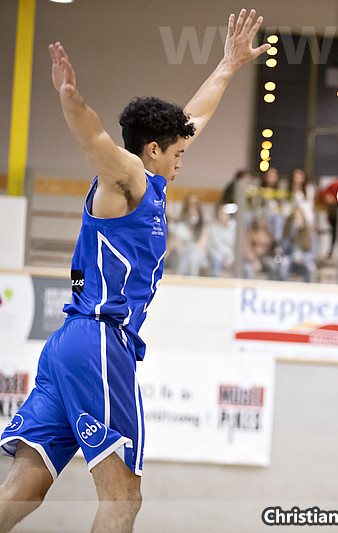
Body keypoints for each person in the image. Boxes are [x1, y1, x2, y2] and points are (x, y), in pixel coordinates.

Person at [0, 11, 269, 532]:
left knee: (23, 489)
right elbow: (95, 140)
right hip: (101, 342)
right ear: (152, 150)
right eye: (178, 153)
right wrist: (71, 100)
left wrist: (228, 65)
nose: (183, 160)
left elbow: (195, 116)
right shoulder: (128, 178)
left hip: (68, 343)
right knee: (124, 497)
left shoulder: (152, 180)